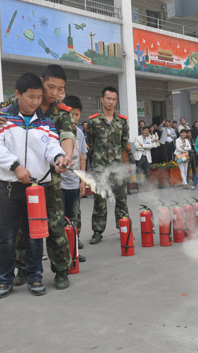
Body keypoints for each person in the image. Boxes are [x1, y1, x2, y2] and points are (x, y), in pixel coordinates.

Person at [0, 64, 74, 290]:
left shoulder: (50, 118)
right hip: (10, 184)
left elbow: (59, 140)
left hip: (44, 183)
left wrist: (62, 158)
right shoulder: (8, 112)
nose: (53, 93)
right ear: (41, 82)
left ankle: (58, 270)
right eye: (50, 87)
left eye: (60, 89)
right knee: (10, 235)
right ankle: (18, 272)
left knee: (48, 229)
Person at [88, 86, 129, 245]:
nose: (111, 102)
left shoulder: (122, 122)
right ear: (102, 99)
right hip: (100, 167)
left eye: (114, 99)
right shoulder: (93, 121)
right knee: (100, 199)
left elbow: (124, 144)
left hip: (117, 167)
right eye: (108, 98)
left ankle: (124, 227)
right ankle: (97, 231)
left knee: (121, 199)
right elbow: (91, 143)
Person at [60, 95, 87, 261]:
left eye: (77, 115)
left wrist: (82, 181)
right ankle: (62, 255)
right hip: (59, 184)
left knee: (73, 219)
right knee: (60, 219)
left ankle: (74, 251)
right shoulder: (58, 131)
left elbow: (82, 158)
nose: (75, 118)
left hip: (74, 183)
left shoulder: (79, 133)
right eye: (71, 114)